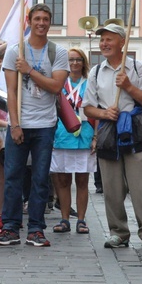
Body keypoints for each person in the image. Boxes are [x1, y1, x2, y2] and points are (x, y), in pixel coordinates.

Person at [0, 3, 69, 247]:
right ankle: (11, 227)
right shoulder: (15, 51)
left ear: (50, 22)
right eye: (37, 18)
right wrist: (14, 125)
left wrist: (29, 71)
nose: (41, 23)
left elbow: (56, 87)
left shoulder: (58, 52)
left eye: (46, 19)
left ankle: (36, 228)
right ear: (29, 20)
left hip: (45, 124)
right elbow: (12, 92)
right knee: (13, 177)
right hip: (20, 123)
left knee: (40, 178)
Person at [82, 23, 142, 250]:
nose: (104, 44)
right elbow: (88, 108)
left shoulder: (138, 69)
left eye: (110, 39)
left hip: (137, 130)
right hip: (109, 131)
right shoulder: (96, 72)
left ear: (122, 42)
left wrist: (129, 87)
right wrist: (103, 112)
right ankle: (118, 232)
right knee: (111, 186)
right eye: (102, 40)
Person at [50, 48, 96, 235]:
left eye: (78, 60)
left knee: (83, 179)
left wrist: (96, 137)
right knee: (62, 179)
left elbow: (97, 107)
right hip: (61, 133)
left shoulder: (91, 83)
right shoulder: (59, 82)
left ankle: (82, 220)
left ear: (84, 62)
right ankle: (65, 218)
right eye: (71, 60)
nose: (74, 63)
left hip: (84, 133)